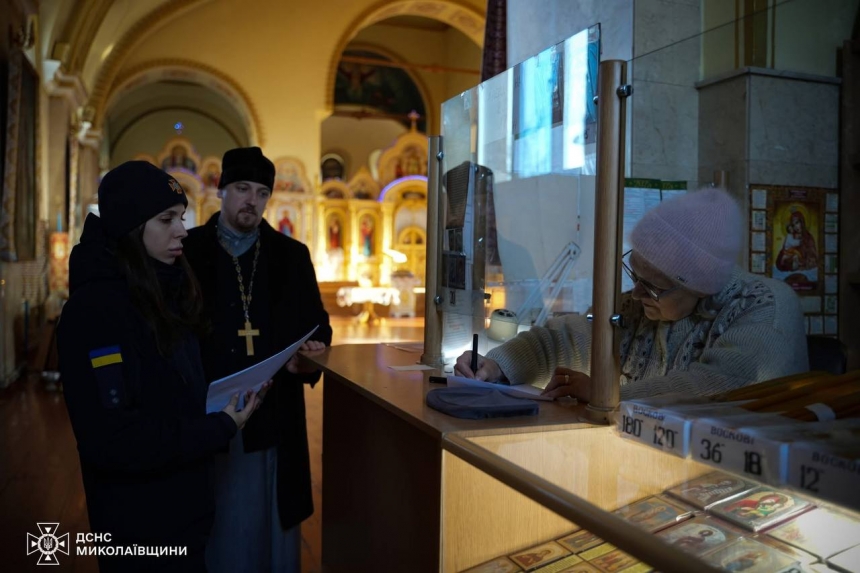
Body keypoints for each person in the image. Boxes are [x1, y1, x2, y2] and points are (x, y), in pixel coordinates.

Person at [58, 161, 263, 572]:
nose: (182, 231)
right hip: (138, 525)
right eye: (166, 219)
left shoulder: (162, 286)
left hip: (184, 512)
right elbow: (114, 439)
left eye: (181, 217)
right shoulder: (95, 310)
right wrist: (221, 426)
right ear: (131, 228)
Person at [455, 188, 808, 400]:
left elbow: (720, 388)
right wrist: (497, 366)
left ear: (700, 285)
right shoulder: (640, 305)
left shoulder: (767, 307)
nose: (636, 292)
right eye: (634, 273)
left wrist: (608, 395)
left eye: (652, 284)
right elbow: (562, 341)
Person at [183, 146, 333, 573]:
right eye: (242, 188)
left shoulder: (291, 254)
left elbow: (318, 325)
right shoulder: (188, 252)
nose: (252, 199)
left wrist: (311, 352)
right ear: (222, 190)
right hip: (206, 412)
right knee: (213, 520)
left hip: (275, 411)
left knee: (272, 527)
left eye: (262, 192)